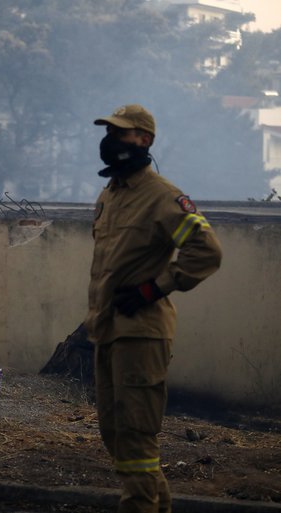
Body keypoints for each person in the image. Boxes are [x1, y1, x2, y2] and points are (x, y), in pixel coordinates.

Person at [86, 104, 222, 513]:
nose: (112, 140)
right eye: (110, 132)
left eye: (122, 133)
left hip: (142, 333)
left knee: (136, 435)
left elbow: (207, 252)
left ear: (144, 140)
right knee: (115, 434)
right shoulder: (110, 195)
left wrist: (154, 288)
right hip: (108, 330)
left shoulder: (162, 197)